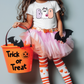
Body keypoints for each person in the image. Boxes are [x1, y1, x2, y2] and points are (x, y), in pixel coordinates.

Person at [12, 0, 74, 84]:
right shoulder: (32, 6)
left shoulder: (53, 3)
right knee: (43, 61)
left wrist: (60, 34)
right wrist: (19, 24)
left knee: (58, 60)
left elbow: (59, 20)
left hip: (53, 36)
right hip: (38, 37)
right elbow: (28, 24)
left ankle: (69, 82)